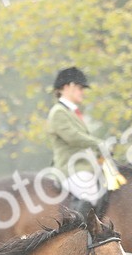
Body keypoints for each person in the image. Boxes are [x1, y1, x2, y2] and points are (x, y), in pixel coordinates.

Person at [47, 66, 121, 218]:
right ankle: (81, 234)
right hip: (71, 169)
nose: (83, 92)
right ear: (68, 86)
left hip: (85, 166)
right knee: (90, 194)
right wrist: (100, 144)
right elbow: (73, 137)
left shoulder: (71, 112)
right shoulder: (58, 112)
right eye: (80, 88)